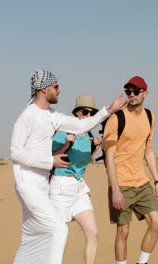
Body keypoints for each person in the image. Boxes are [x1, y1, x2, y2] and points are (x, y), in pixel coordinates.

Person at [10, 69, 128, 264]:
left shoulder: (52, 116)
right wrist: (51, 162)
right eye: (56, 87)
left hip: (41, 183)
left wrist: (109, 110)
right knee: (58, 230)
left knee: (32, 238)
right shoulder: (27, 117)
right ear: (44, 89)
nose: (59, 91)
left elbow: (82, 126)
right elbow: (16, 152)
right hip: (28, 183)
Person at [102, 76, 158, 264]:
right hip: (121, 183)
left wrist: (157, 181)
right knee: (123, 231)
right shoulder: (116, 118)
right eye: (128, 91)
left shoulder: (149, 117)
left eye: (135, 91)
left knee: (157, 223)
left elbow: (149, 150)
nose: (131, 95)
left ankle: (142, 262)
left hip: (141, 182)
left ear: (145, 93)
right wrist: (115, 191)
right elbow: (109, 157)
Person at [50, 95, 102, 264]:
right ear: (77, 113)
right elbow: (50, 157)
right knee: (60, 238)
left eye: (92, 113)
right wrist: (66, 143)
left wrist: (94, 148)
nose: (89, 115)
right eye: (85, 112)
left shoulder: (90, 135)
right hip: (61, 187)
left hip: (79, 187)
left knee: (92, 232)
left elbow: (84, 161)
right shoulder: (64, 131)